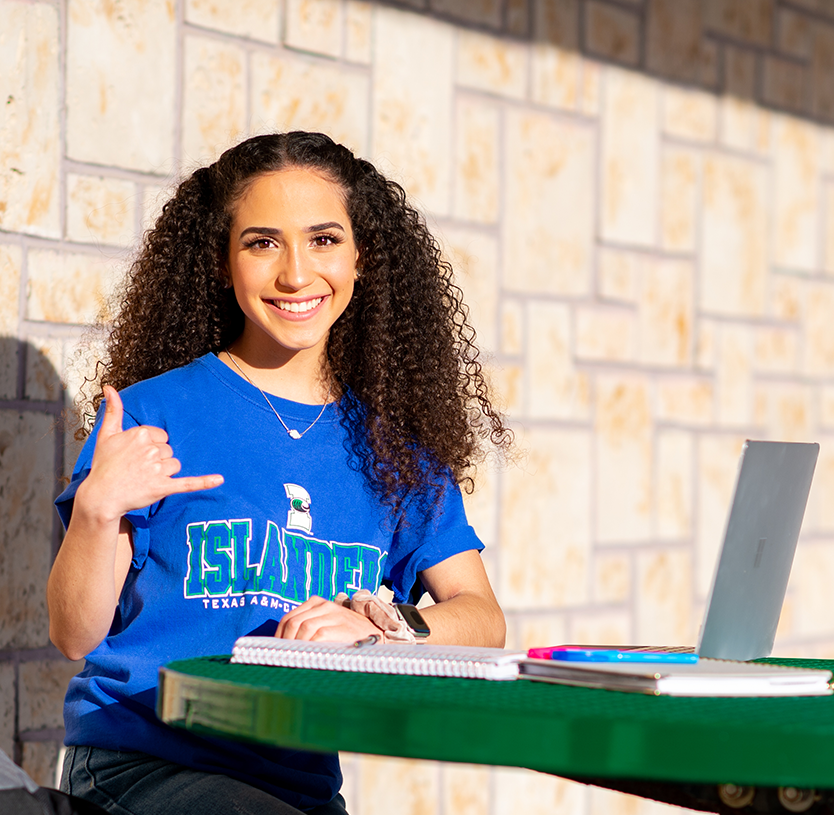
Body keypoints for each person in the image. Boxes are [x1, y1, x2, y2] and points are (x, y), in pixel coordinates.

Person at [47, 131, 510, 815]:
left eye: (323, 239)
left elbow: (483, 619)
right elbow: (73, 633)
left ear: (362, 258)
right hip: (140, 760)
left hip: (298, 787)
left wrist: (383, 625)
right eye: (263, 243)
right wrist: (95, 510)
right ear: (222, 261)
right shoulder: (152, 415)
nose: (296, 273)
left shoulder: (394, 450)